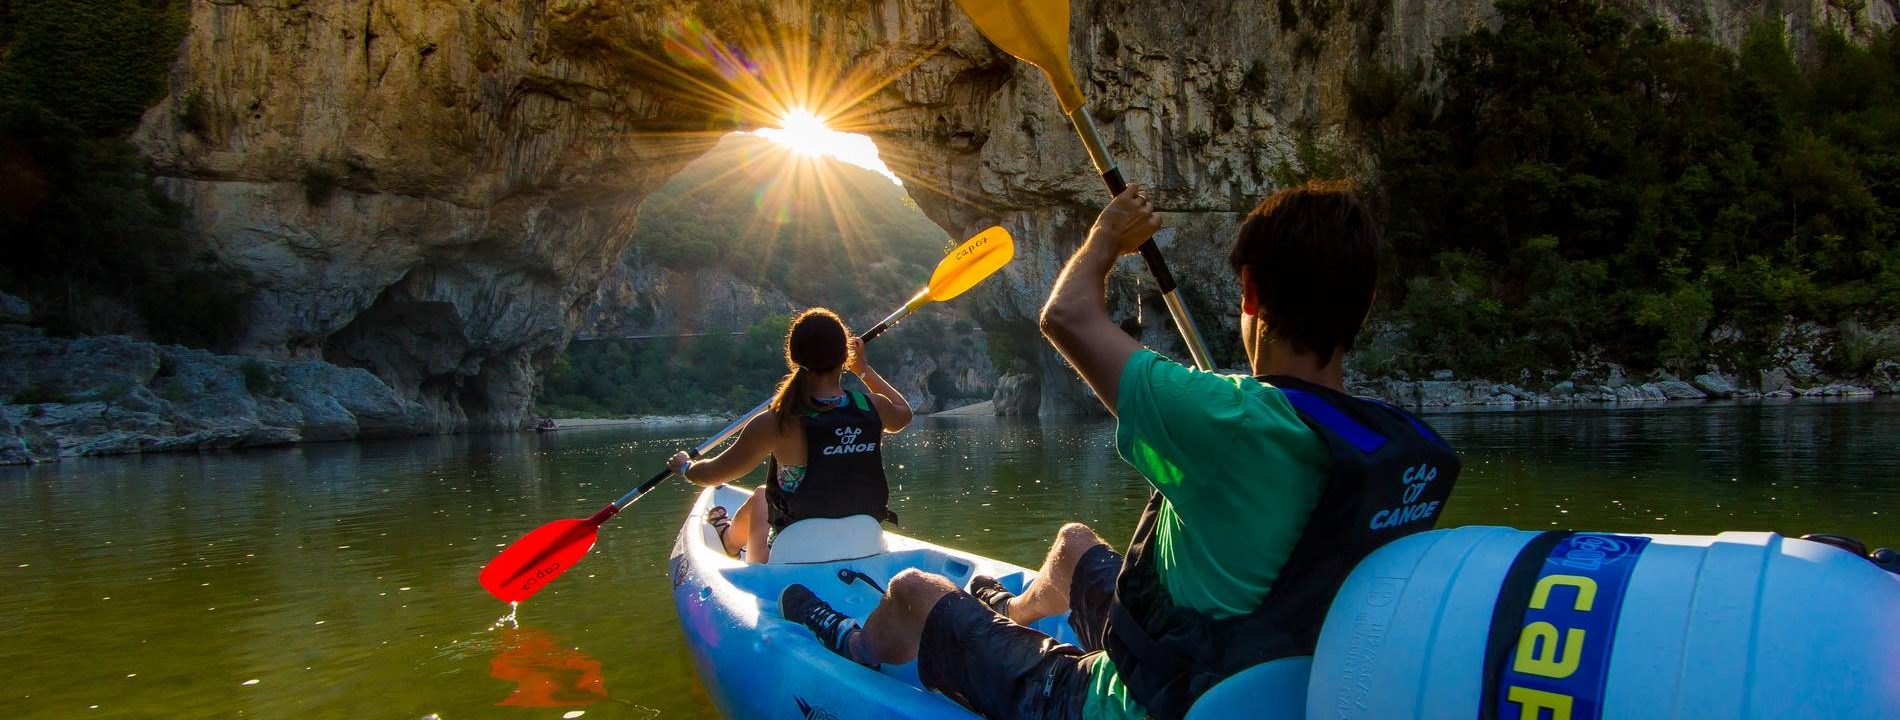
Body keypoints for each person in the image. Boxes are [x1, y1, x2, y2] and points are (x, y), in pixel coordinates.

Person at [779, 181, 1462, 719]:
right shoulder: (1392, 449)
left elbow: (1067, 315)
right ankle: (1005, 615)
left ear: (1250, 292)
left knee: (911, 591)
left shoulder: (1226, 417)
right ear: (1365, 305)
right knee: (1076, 545)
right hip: (1230, 661)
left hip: (1140, 702)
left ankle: (855, 641)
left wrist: (1107, 235)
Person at [666, 308, 913, 564]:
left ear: (793, 358)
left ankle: (731, 541)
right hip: (866, 543)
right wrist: (863, 369)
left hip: (795, 553)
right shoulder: (872, 407)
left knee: (763, 495)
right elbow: (904, 414)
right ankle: (730, 539)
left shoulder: (776, 422)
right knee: (763, 496)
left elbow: (713, 475)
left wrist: (685, 467)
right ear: (845, 356)